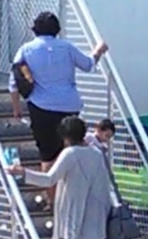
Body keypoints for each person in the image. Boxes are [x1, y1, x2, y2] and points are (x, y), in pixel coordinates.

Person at [7, 116, 112, 239]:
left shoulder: (69, 154)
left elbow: (49, 179)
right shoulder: (97, 154)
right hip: (95, 210)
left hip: (73, 207)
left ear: (66, 137)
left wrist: (22, 172)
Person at [11, 12, 109, 207]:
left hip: (41, 107)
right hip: (70, 106)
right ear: (57, 29)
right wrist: (99, 50)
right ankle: (73, 199)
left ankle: (54, 202)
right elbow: (88, 65)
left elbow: (13, 83)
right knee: (70, 151)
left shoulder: (25, 50)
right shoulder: (67, 47)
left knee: (48, 155)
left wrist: (16, 108)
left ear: (35, 29)